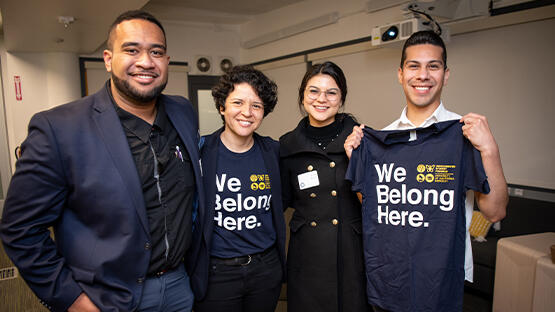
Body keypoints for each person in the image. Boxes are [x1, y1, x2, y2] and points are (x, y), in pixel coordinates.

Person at [0, 10, 204, 312]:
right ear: (108, 59)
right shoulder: (59, 129)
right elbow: (20, 229)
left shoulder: (182, 112)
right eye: (132, 50)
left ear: (166, 61)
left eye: (156, 52)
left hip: (178, 287)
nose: (146, 62)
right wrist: (72, 300)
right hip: (106, 297)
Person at [344, 30, 508, 311]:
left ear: (445, 75)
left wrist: (489, 150)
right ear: (400, 74)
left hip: (442, 278)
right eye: (414, 66)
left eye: (433, 66)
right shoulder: (384, 138)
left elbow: (495, 212)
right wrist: (357, 161)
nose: (423, 75)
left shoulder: (465, 134)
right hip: (391, 276)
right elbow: (376, 206)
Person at [191, 65, 286, 312]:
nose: (247, 112)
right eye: (238, 103)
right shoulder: (200, 152)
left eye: (256, 105)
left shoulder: (273, 152)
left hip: (265, 269)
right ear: (222, 107)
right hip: (217, 273)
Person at [279, 61, 371, 312]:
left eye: (331, 92)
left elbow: (377, 203)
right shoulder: (287, 145)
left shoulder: (361, 139)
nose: (322, 99)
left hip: (350, 253)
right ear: (302, 96)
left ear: (341, 99)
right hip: (307, 253)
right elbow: (279, 201)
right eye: (313, 91)